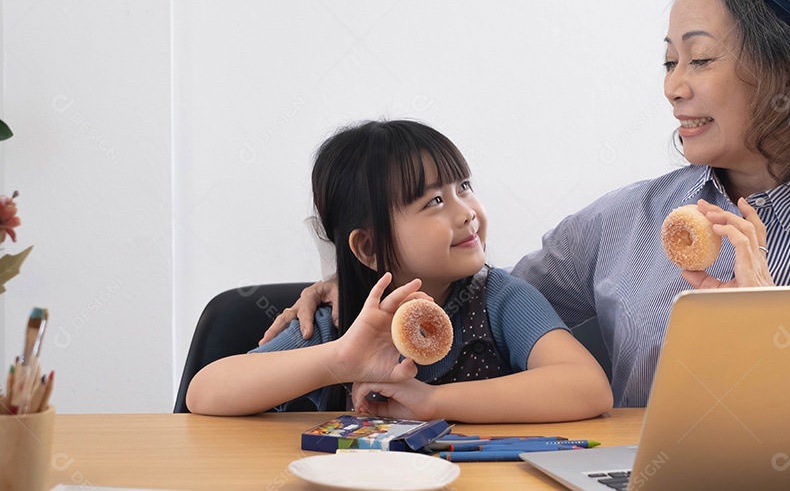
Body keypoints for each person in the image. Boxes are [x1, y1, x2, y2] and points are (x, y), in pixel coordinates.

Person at [262, 0, 790, 442]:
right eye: (669, 59)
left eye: (702, 58)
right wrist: (362, 277)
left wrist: (781, 326)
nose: (673, 85)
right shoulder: (626, 222)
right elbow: (485, 305)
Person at [187, 120, 612, 420]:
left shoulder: (500, 299)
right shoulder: (343, 325)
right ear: (368, 247)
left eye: (463, 187)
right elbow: (205, 393)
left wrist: (432, 402)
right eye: (434, 202)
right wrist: (339, 359)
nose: (467, 213)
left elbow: (587, 388)